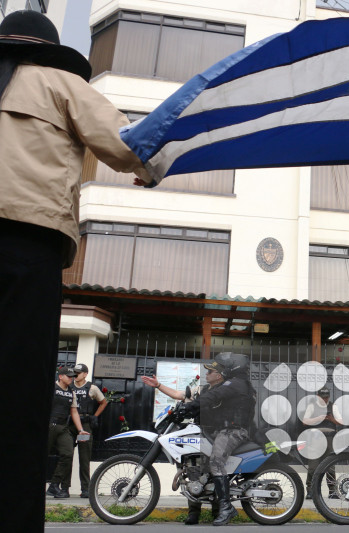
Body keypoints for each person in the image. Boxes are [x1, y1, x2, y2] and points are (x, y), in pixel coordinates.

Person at [0, 11, 154, 530]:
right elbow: (128, 142)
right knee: (20, 396)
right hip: (25, 244)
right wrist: (149, 169)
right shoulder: (58, 82)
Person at [141, 352, 256, 526]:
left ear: (220, 374)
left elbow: (211, 400)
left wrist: (191, 406)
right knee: (197, 469)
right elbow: (182, 395)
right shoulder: (207, 388)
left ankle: (224, 508)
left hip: (231, 431)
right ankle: (195, 510)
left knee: (216, 462)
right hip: (210, 432)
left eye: (210, 371)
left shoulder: (232, 385)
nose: (207, 374)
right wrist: (159, 386)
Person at [47, 367, 89, 499]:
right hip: (49, 426)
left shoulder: (71, 393)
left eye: (72, 376)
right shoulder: (52, 388)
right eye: (69, 376)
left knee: (68, 454)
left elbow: (74, 412)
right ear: (60, 376)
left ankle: (54, 485)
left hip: (63, 427)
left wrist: (81, 429)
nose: (71, 378)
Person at [67, 363, 107, 498]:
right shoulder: (68, 386)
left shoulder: (92, 388)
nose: (75, 375)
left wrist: (95, 416)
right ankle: (64, 488)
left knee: (84, 458)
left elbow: (104, 402)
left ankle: (85, 489)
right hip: (70, 425)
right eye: (74, 372)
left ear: (85, 374)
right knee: (67, 456)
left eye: (78, 372)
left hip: (85, 426)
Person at [301, 387, 341, 499]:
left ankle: (332, 491)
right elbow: (305, 421)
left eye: (326, 397)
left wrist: (330, 419)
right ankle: (310, 491)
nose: (324, 399)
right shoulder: (312, 406)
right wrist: (318, 418)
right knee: (313, 466)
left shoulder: (333, 406)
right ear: (318, 396)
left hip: (330, 438)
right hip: (315, 437)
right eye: (322, 397)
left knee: (330, 466)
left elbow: (341, 422)